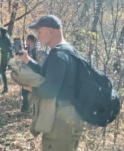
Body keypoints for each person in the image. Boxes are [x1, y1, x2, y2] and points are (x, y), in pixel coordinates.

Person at [18, 15, 83, 151]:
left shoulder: (58, 55)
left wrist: (31, 88)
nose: (38, 36)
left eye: (39, 32)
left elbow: (50, 90)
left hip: (61, 122)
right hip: (71, 116)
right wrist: (28, 60)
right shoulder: (68, 50)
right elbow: (48, 73)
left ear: (50, 31)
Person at [0, 27, 13, 93]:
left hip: (4, 57)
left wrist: (2, 48)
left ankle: (5, 88)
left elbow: (10, 49)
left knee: (3, 73)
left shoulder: (7, 39)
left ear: (2, 31)